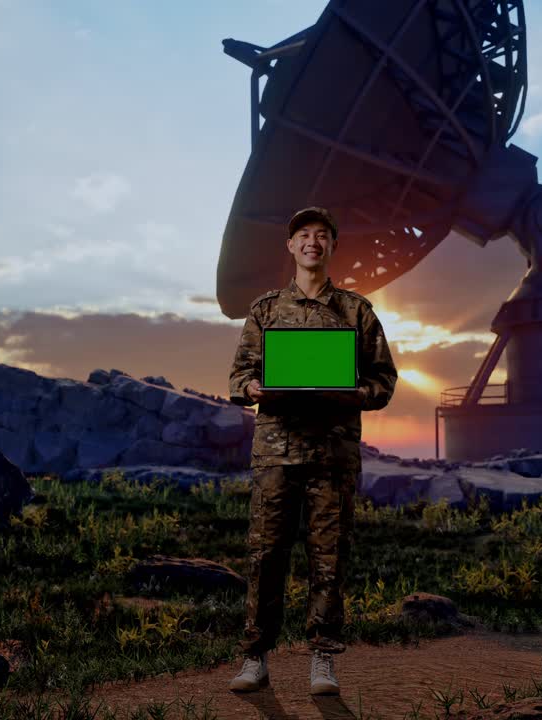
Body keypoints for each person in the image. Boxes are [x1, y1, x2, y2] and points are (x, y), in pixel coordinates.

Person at [226, 206, 397, 695]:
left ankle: (322, 658)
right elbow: (238, 375)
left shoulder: (357, 311)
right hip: (276, 453)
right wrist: (252, 389)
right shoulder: (264, 310)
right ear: (290, 246)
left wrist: (356, 394)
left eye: (322, 235)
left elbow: (384, 381)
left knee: (329, 557)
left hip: (331, 455)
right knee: (266, 554)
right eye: (303, 235)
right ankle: (255, 656)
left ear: (332, 247)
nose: (312, 242)